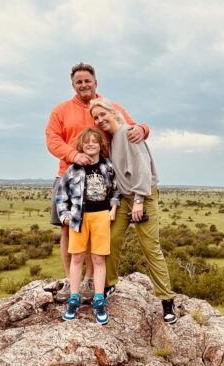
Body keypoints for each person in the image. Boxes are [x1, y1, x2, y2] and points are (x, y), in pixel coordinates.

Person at [45, 63, 149, 302]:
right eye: (79, 82)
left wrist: (144, 128)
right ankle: (70, 281)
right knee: (68, 228)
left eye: (87, 81)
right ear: (73, 85)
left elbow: (131, 126)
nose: (84, 85)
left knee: (95, 228)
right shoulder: (60, 110)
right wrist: (74, 155)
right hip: (68, 175)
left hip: (101, 177)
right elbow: (52, 139)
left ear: (95, 82)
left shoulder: (107, 107)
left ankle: (90, 280)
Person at [90, 97, 177, 324]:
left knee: (150, 248)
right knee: (110, 239)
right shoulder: (111, 140)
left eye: (102, 115)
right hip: (124, 199)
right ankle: (109, 284)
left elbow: (143, 168)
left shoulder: (129, 133)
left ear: (113, 112)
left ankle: (167, 301)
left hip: (143, 197)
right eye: (95, 118)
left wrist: (139, 200)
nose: (99, 120)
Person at [55, 128, 120, 323]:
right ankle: (73, 299)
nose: (90, 144)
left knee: (99, 258)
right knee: (77, 257)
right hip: (78, 217)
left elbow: (115, 190)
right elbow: (61, 194)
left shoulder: (108, 166)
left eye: (94, 141)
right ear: (80, 145)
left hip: (101, 217)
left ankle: (99, 301)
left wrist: (113, 209)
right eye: (86, 142)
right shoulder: (73, 169)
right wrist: (64, 214)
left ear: (101, 145)